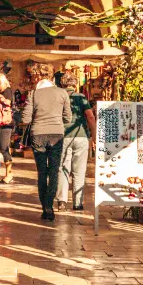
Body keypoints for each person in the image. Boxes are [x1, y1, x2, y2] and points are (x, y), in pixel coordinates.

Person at [22, 63, 72, 221]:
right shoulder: (62, 92)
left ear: (38, 76)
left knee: (42, 172)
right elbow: (68, 118)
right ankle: (49, 204)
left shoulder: (33, 94)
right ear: (52, 76)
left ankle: (45, 206)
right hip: (56, 134)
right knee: (54, 170)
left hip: (38, 134)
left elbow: (25, 119)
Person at [56, 72, 95, 211]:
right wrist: (94, 136)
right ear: (75, 84)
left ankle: (61, 201)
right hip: (81, 136)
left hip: (62, 136)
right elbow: (89, 116)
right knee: (79, 170)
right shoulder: (81, 97)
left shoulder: (58, 96)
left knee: (62, 168)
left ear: (62, 84)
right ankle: (77, 203)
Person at [0, 73, 16, 184]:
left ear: (1, 82)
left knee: (4, 148)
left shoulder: (7, 91)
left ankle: (9, 174)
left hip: (6, 124)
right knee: (4, 147)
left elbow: (8, 102)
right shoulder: (3, 91)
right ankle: (8, 173)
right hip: (3, 124)